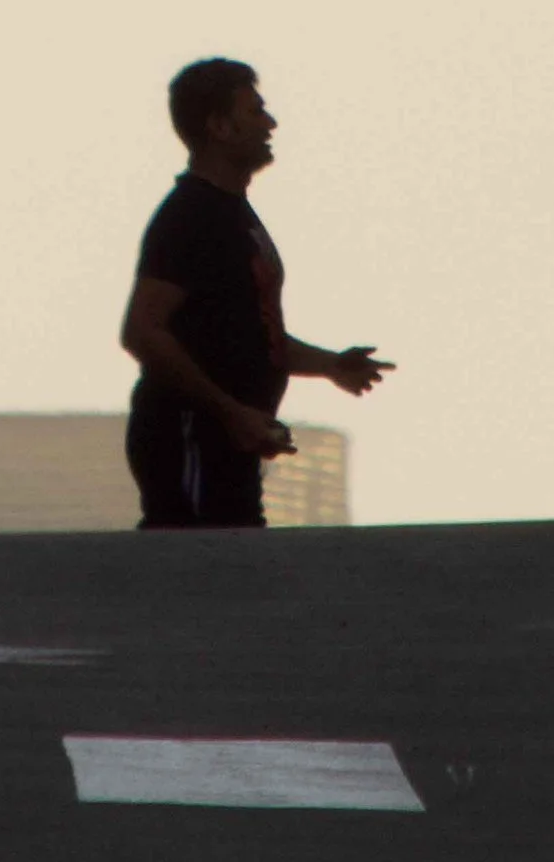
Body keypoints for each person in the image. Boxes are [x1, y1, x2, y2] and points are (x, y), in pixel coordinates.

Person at [117, 57, 391, 529]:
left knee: (236, 564)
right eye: (255, 112)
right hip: (191, 439)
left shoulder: (233, 217)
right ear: (220, 127)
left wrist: (330, 365)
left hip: (230, 447)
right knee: (200, 566)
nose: (270, 124)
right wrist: (230, 412)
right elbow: (143, 331)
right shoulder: (190, 216)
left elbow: (251, 337)